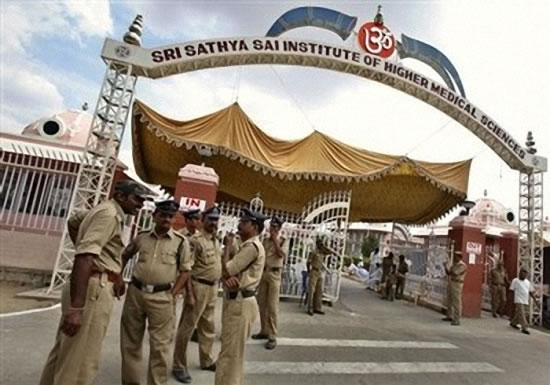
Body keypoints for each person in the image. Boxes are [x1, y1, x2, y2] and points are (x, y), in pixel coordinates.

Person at [39, 180, 149, 385]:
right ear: (121, 196)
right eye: (137, 199)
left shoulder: (102, 210)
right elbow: (84, 256)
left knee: (65, 352)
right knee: (80, 362)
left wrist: (108, 267)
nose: (140, 205)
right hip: (93, 289)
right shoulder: (109, 215)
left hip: (93, 281)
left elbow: (74, 221)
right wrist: (77, 307)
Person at [120, 200, 192, 385]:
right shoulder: (142, 237)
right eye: (163, 215)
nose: (166, 219)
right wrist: (118, 277)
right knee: (130, 342)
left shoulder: (180, 242)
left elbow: (185, 272)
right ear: (155, 216)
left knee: (160, 346)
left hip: (162, 297)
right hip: (135, 292)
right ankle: (130, 382)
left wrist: (172, 294)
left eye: (170, 216)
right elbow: (125, 256)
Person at [215, 208, 266, 385]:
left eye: (244, 223)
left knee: (231, 355)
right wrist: (226, 276)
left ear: (254, 227)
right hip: (237, 299)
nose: (239, 225)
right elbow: (226, 273)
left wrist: (228, 247)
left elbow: (227, 268)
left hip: (241, 302)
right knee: (230, 352)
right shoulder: (247, 245)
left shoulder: (251, 247)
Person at [173, 206, 222, 383]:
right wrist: (190, 294)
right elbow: (188, 270)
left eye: (216, 220)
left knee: (208, 327)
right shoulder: (195, 240)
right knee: (186, 328)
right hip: (198, 287)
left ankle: (206, 360)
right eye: (211, 219)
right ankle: (178, 365)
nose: (214, 223)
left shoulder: (216, 240)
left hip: (212, 289)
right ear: (203, 220)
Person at [252, 216, 288, 350]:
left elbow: (281, 255)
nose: (273, 229)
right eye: (271, 226)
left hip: (275, 274)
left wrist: (275, 241)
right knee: (262, 303)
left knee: (272, 306)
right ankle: (264, 330)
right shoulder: (265, 241)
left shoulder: (283, 240)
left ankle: (272, 335)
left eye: (275, 227)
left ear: (279, 229)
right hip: (264, 273)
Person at [178, 209, 201, 343]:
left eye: (197, 219)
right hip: (180, 273)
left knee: (193, 304)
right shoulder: (180, 235)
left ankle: (192, 330)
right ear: (186, 221)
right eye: (192, 219)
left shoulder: (199, 237)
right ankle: (169, 330)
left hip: (195, 273)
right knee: (173, 301)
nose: (195, 222)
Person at [306, 238, 333, 316]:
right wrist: (308, 271)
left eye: (322, 243)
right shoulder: (313, 252)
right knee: (312, 290)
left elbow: (330, 252)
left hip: (320, 271)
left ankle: (317, 307)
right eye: (320, 243)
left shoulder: (322, 252)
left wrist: (324, 247)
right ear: (317, 244)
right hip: (314, 271)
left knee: (319, 290)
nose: (321, 245)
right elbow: (308, 262)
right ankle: (310, 308)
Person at [509, 269, 539, 335]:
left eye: (525, 274)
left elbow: (530, 292)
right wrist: (510, 301)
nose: (524, 275)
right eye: (522, 273)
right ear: (519, 273)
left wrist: (535, 300)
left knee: (520, 313)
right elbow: (511, 290)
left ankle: (513, 322)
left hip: (525, 300)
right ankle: (524, 327)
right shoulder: (515, 281)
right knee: (522, 314)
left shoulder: (527, 282)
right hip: (518, 299)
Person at [442, 251, 467, 326]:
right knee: (449, 299)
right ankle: (449, 315)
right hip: (452, 282)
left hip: (457, 283)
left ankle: (457, 319)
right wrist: (445, 266)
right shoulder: (454, 265)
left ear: (460, 257)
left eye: (457, 256)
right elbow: (449, 273)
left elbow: (456, 273)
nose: (455, 257)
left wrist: (451, 269)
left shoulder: (462, 265)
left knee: (456, 301)